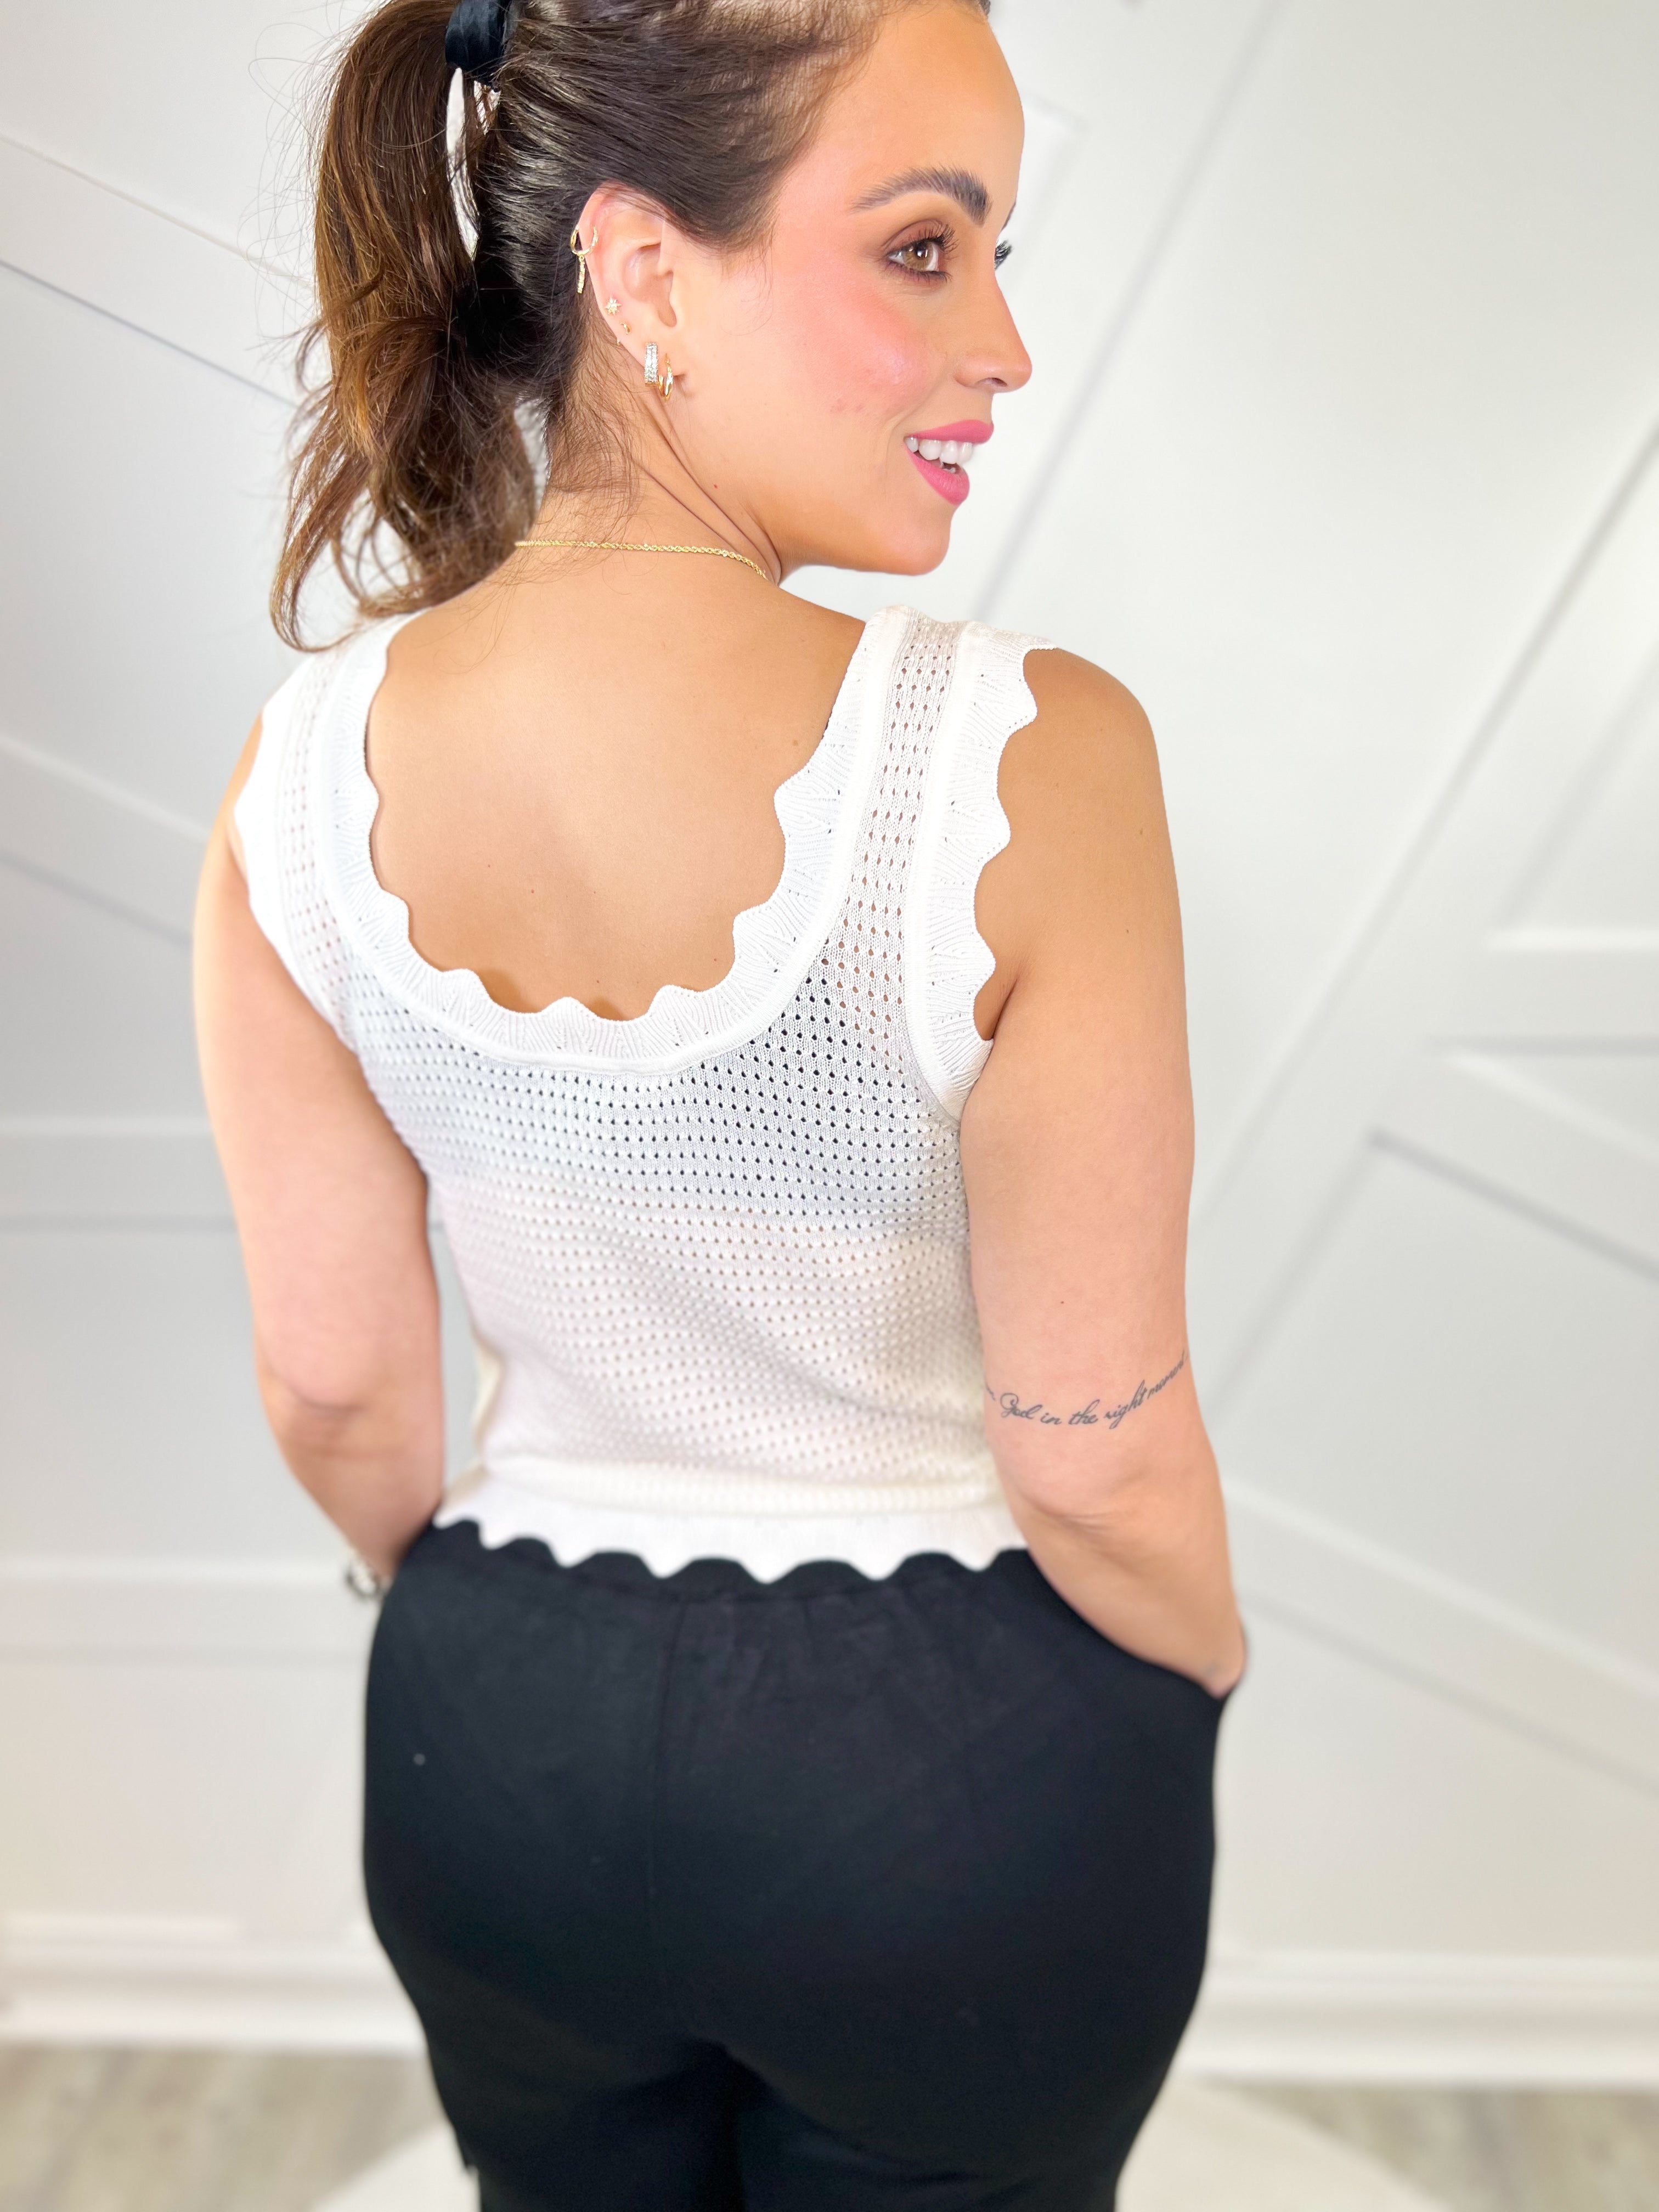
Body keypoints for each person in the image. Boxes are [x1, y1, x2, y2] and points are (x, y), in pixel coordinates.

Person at [194, 0, 1248, 2203]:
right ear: (646, 270)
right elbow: (1097, 1450)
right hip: (960, 1778)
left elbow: (336, 1388)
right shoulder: (1027, 761)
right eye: (924, 249)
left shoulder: (290, 784)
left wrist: (491, 1648)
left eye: (997, 258)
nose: (1004, 352)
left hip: (493, 1752)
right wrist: (1197, 1669)